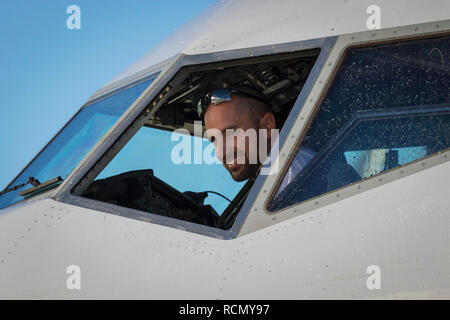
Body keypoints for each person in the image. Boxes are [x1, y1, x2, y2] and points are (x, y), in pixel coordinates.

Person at [199, 86, 316, 196]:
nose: (222, 152)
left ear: (267, 126)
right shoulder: (273, 181)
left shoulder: (297, 177)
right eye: (214, 139)